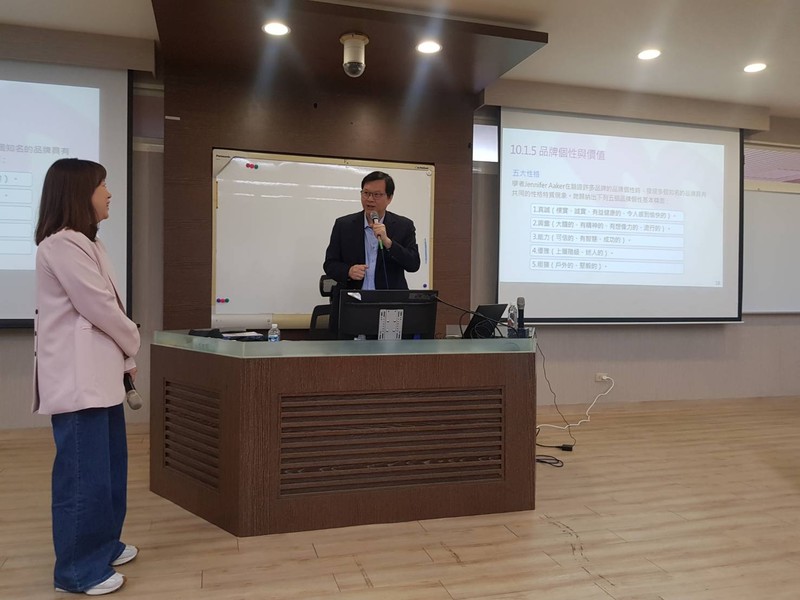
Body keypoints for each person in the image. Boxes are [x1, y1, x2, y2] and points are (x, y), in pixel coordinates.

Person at [33, 158, 141, 596]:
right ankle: (76, 572)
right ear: (79, 193)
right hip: (79, 380)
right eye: (102, 186)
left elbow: (107, 306)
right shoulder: (62, 244)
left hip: (100, 377)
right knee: (83, 477)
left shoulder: (90, 243)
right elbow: (100, 307)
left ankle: (103, 545)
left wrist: (125, 356)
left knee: (109, 472)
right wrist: (134, 340)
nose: (110, 193)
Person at [323, 171, 420, 291]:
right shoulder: (343, 225)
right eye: (366, 193)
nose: (369, 199)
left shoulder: (404, 226)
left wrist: (388, 243)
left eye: (377, 195)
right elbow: (330, 264)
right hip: (353, 297)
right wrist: (348, 271)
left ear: (389, 198)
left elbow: (413, 264)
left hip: (389, 299)